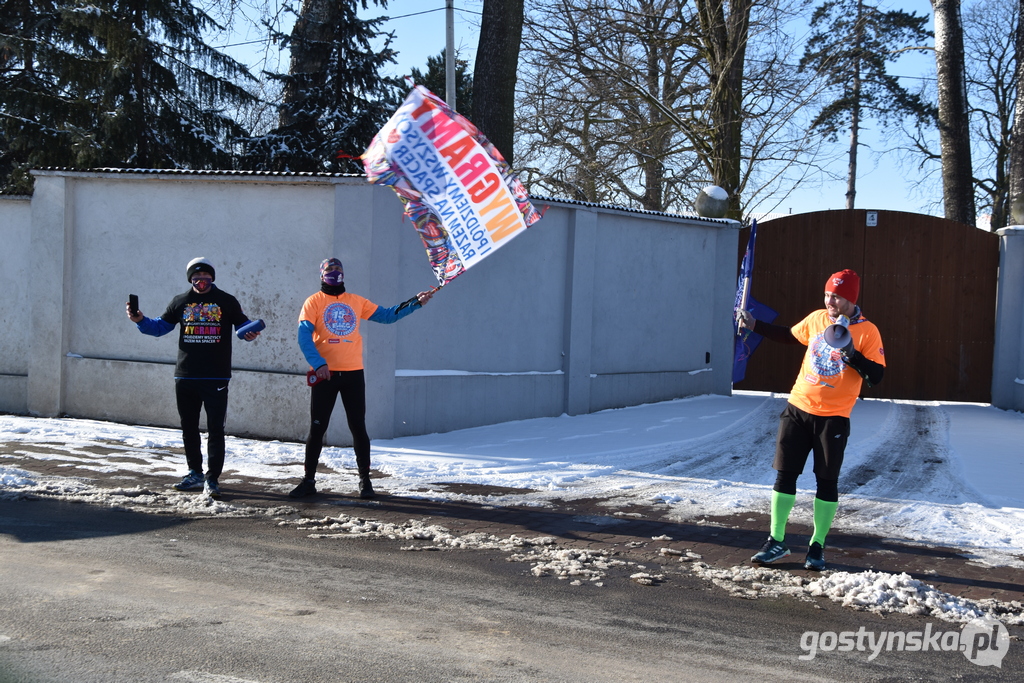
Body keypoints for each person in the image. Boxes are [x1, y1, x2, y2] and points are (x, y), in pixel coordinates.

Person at [737, 269, 885, 571]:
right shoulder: (818, 317)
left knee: (826, 482)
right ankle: (776, 540)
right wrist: (755, 325)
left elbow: (877, 376)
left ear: (851, 299)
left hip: (833, 418)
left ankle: (817, 546)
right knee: (784, 475)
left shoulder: (869, 331)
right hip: (798, 407)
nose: (831, 301)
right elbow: (790, 336)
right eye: (828, 294)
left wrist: (852, 355)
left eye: (837, 297)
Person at [289, 258, 434, 500]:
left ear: (344, 275)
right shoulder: (313, 302)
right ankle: (309, 481)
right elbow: (303, 336)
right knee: (317, 428)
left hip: (353, 373)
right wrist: (319, 364)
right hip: (325, 374)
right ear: (321, 275)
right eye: (329, 270)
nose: (334, 274)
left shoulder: (356, 302)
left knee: (358, 427)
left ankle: (365, 482)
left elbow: (387, 316)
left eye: (338, 270)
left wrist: (415, 303)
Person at [126, 257, 261, 499]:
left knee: (215, 429)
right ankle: (195, 473)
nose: (201, 282)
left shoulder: (226, 301)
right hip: (185, 375)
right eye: (196, 278)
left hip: (216, 376)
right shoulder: (180, 301)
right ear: (190, 279)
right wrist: (139, 320)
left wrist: (250, 333)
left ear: (213, 278)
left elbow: (244, 327)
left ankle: (212, 478)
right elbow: (159, 327)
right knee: (189, 427)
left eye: (206, 278)